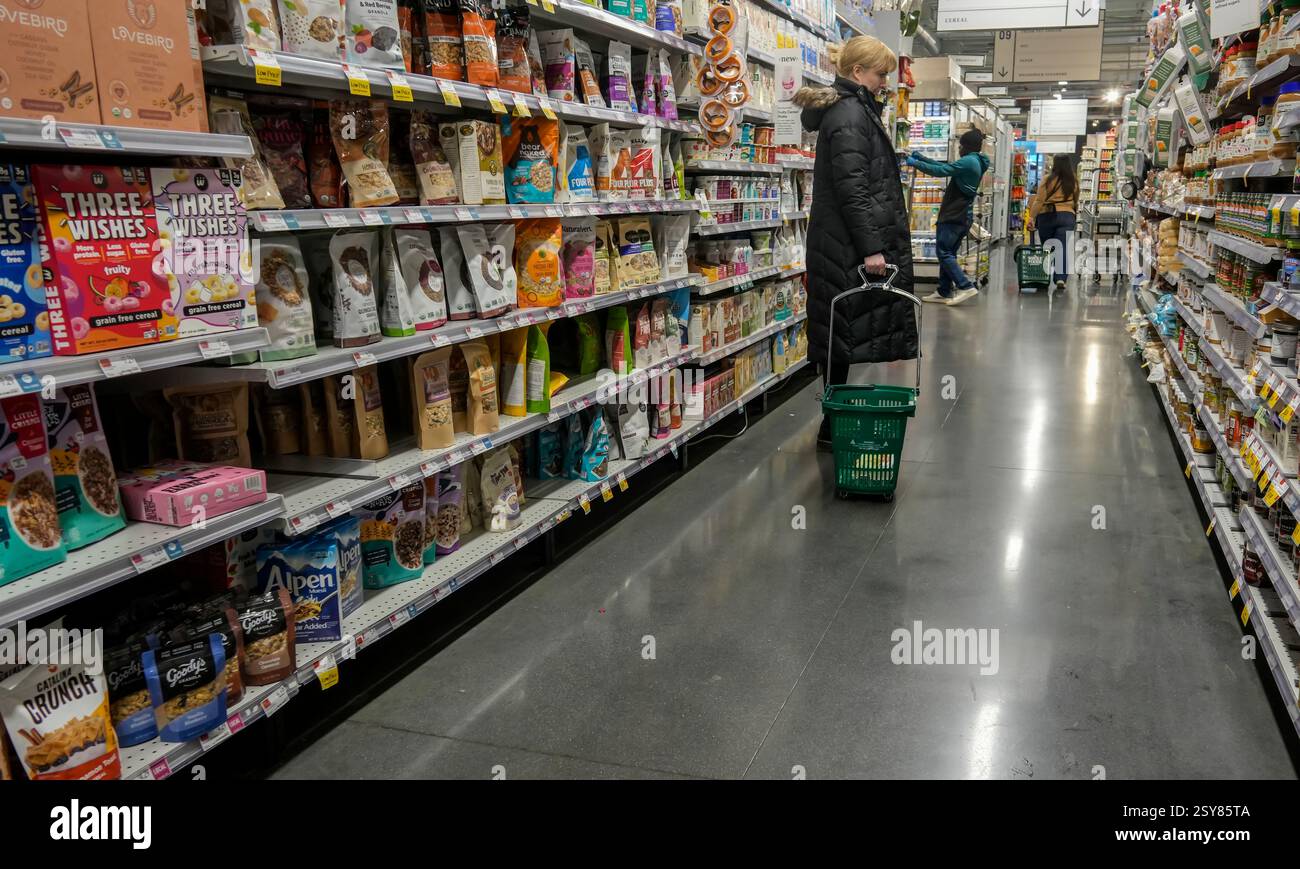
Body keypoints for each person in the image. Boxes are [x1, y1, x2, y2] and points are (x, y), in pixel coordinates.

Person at [794, 36, 917, 448]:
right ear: (857, 73)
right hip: (846, 245)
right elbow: (853, 189)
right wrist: (872, 247)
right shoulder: (849, 113)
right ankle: (832, 425)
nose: (885, 82)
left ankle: (834, 422)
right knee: (840, 335)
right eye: (881, 74)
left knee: (840, 335)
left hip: (840, 241)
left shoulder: (854, 109)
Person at [907, 130, 991, 306]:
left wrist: (916, 164)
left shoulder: (969, 161)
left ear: (966, 146)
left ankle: (965, 286)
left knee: (943, 252)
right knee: (949, 253)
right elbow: (947, 167)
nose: (959, 148)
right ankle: (944, 291)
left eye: (961, 145)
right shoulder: (975, 161)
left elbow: (942, 171)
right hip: (962, 216)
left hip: (954, 215)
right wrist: (923, 158)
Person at [1027, 154, 1079, 291]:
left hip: (1047, 216)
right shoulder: (1073, 180)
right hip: (1067, 215)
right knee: (1063, 248)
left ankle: (1044, 276)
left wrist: (1031, 218)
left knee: (1048, 248)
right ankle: (1061, 278)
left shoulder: (1047, 180)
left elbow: (1039, 201)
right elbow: (1076, 199)